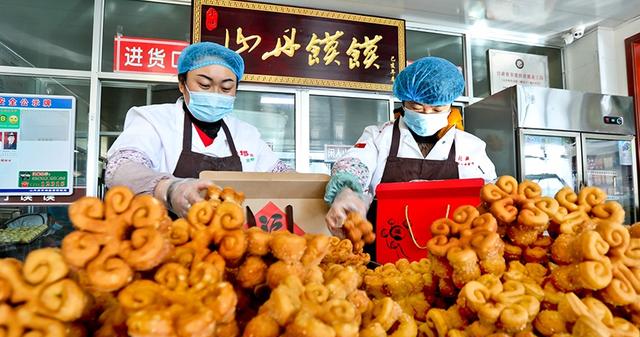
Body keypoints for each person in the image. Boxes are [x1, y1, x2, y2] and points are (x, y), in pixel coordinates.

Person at [106, 42, 292, 217]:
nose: (215, 94)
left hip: (229, 242)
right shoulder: (154, 121)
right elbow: (120, 169)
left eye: (226, 88)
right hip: (164, 241)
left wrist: (318, 188)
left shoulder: (246, 134)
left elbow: (283, 176)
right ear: (182, 84)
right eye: (204, 85)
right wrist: (170, 189)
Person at [324, 56, 496, 237]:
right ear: (404, 102)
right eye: (418, 107)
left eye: (437, 109)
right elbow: (355, 163)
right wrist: (347, 191)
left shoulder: (469, 145)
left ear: (451, 104)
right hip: (387, 247)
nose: (427, 113)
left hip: (451, 248)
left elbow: (489, 190)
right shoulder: (379, 136)